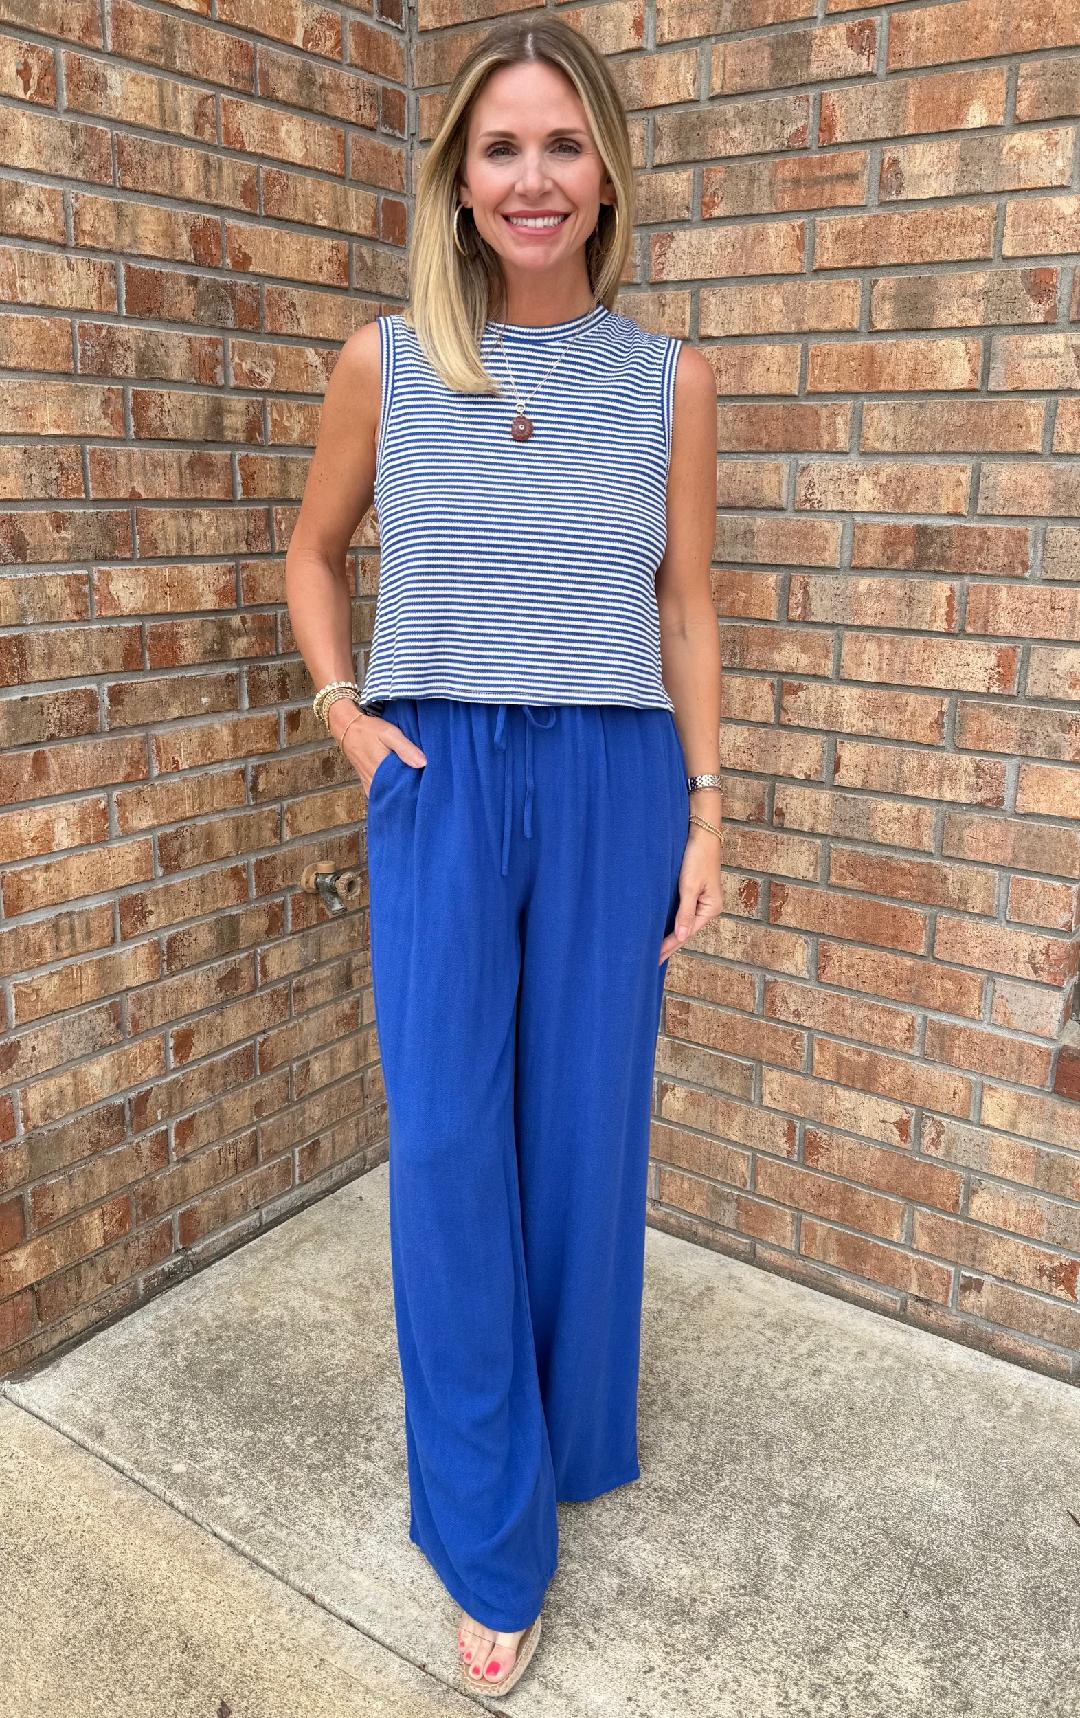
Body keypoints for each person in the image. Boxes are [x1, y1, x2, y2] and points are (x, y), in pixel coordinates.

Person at [284, 15, 721, 1698]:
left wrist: (708, 808)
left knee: (586, 1133)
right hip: (441, 773)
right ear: (458, 181)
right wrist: (348, 715)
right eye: (500, 148)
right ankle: (488, 1526)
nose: (533, 179)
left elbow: (686, 605)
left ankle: (570, 1429)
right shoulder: (387, 364)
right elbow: (314, 552)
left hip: (614, 776)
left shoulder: (671, 381)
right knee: (456, 1140)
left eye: (561, 144)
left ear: (606, 170)